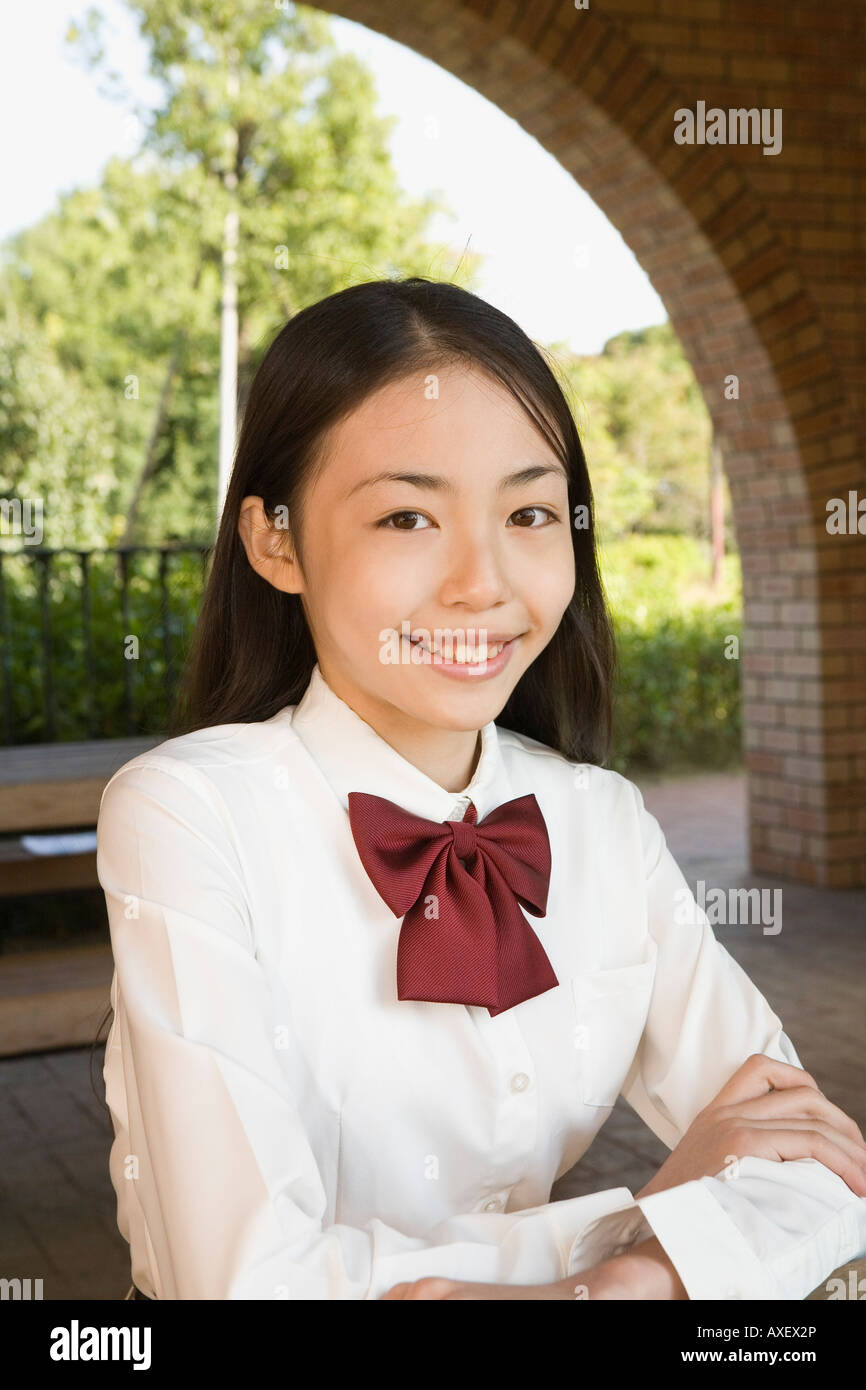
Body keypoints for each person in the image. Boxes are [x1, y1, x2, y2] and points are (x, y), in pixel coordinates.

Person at [97, 277, 866, 1301]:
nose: (482, 580)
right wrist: (632, 1247)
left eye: (529, 511)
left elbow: (815, 1161)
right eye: (407, 516)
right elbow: (241, 1279)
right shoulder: (187, 813)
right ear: (275, 541)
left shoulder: (601, 821)